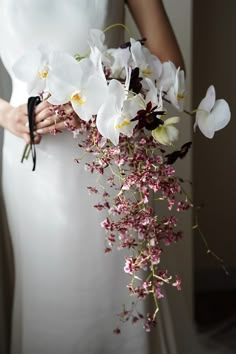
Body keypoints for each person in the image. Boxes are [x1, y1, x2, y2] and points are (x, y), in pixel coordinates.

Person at [0, 1, 196, 353]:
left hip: (111, 154)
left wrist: (116, 84)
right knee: (49, 291)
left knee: (120, 287)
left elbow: (171, 66)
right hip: (35, 162)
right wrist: (6, 115)